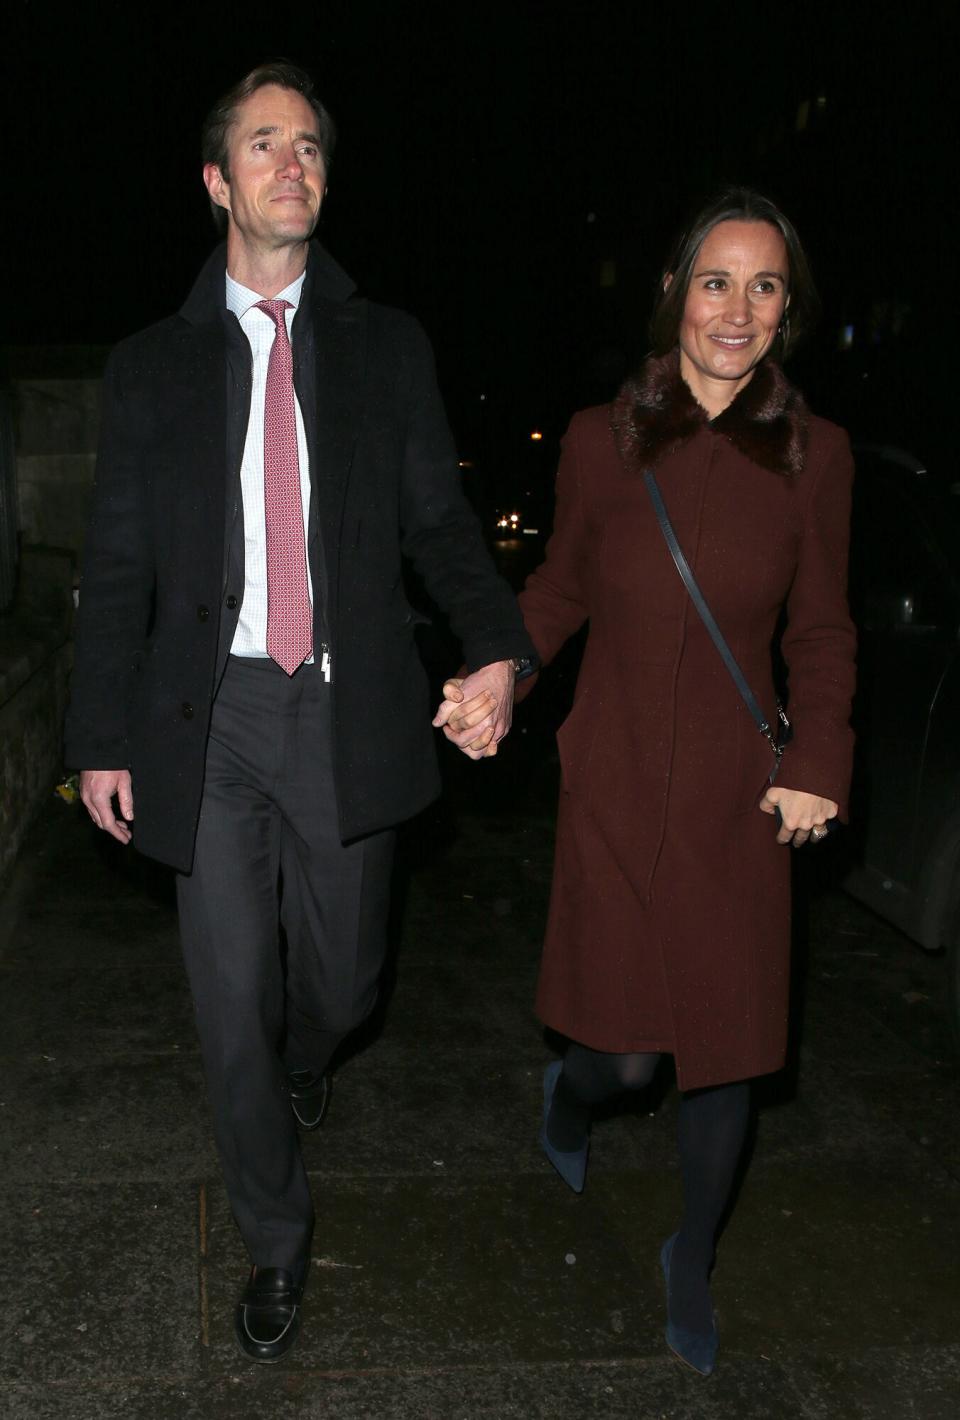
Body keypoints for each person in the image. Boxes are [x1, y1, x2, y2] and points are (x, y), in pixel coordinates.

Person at [64, 61, 535, 1364]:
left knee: (342, 978)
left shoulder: (384, 348)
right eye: (265, 143)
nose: (293, 163)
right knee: (229, 1010)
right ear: (218, 182)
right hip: (203, 725)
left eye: (311, 144)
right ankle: (275, 1242)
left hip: (343, 712)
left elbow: (441, 529)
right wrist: (99, 736)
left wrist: (501, 655)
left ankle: (313, 1046)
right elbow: (114, 571)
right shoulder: (153, 367)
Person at [436, 188, 855, 1374]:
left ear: (788, 311)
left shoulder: (816, 458)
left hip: (740, 792)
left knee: (724, 1052)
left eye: (765, 285)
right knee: (625, 1051)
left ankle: (691, 1253)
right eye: (716, 280)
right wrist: (504, 674)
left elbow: (823, 630)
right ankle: (573, 1097)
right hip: (615, 779)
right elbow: (560, 587)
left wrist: (819, 758)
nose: (738, 308)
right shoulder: (597, 438)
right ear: (676, 291)